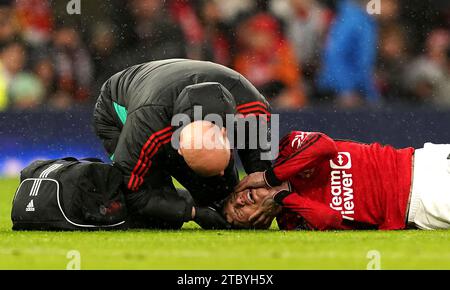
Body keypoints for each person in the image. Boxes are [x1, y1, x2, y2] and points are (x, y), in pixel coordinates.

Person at [93, 59, 272, 229]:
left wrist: (271, 198)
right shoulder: (148, 129)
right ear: (180, 150)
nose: (222, 172)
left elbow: (263, 171)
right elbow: (135, 194)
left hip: (167, 89)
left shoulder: (253, 109)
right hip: (116, 109)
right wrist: (192, 213)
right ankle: (185, 199)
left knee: (221, 193)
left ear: (225, 133)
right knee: (158, 218)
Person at [224, 131, 450, 230]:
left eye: (235, 197)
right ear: (258, 222)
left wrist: (271, 177)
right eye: (238, 211)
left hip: (423, 160)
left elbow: (325, 145)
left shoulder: (287, 150)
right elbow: (330, 218)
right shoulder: (292, 222)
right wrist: (282, 197)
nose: (241, 200)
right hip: (422, 203)